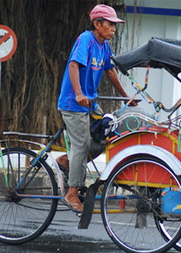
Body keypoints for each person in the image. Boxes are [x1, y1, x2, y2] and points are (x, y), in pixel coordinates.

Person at [56, 4, 135, 213]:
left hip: (90, 104)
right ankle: (72, 193)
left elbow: (110, 72)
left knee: (105, 135)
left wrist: (126, 97)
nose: (114, 28)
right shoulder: (86, 40)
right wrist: (79, 93)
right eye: (110, 24)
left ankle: (66, 160)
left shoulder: (104, 46)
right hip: (74, 103)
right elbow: (74, 65)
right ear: (97, 24)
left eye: (115, 25)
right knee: (81, 146)